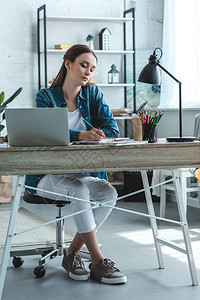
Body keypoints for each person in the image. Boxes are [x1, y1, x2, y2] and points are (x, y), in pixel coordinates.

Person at [25, 44, 127, 284]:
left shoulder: (92, 94)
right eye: (83, 65)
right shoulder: (46, 97)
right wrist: (80, 135)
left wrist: (95, 133)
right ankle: (98, 260)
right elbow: (46, 133)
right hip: (47, 175)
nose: (88, 72)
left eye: (91, 68)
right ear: (68, 63)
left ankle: (70, 254)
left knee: (108, 193)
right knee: (79, 190)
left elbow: (112, 129)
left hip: (82, 172)